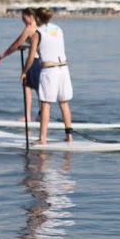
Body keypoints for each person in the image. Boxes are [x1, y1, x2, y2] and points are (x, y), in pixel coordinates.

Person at [28, 7, 74, 143]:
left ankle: (42, 138)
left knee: (46, 104)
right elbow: (51, 45)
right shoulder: (58, 29)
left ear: (37, 18)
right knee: (64, 103)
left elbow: (31, 57)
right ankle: (69, 136)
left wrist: (25, 72)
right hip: (64, 69)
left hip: (49, 71)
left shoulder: (38, 33)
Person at [0, 7, 42, 122]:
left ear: (30, 17)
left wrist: (4, 54)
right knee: (40, 89)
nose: (23, 21)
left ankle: (28, 116)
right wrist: (26, 47)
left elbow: (16, 44)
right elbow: (37, 45)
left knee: (27, 88)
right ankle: (41, 115)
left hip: (33, 62)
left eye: (24, 18)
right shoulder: (41, 27)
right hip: (43, 62)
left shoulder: (29, 28)